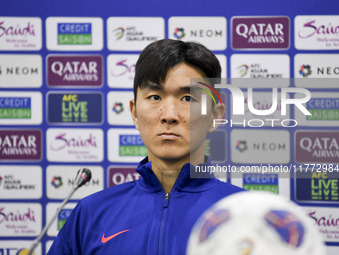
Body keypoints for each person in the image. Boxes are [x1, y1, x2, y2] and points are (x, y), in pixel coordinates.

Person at [47, 39, 244, 255]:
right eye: (155, 97)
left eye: (187, 98)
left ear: (215, 116)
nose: (169, 115)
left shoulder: (248, 216)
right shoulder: (91, 214)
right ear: (134, 113)